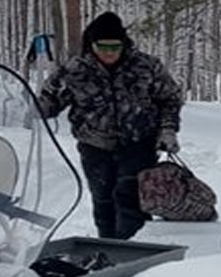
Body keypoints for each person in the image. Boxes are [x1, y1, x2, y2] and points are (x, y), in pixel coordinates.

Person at [36, 12, 183, 240]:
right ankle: (107, 248)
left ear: (124, 43)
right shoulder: (73, 71)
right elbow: (47, 105)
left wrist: (168, 130)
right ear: (91, 44)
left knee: (130, 199)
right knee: (103, 200)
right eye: (102, 46)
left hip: (138, 144)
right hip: (94, 146)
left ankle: (134, 253)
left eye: (115, 46)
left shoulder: (147, 66)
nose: (109, 53)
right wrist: (37, 103)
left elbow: (170, 99)